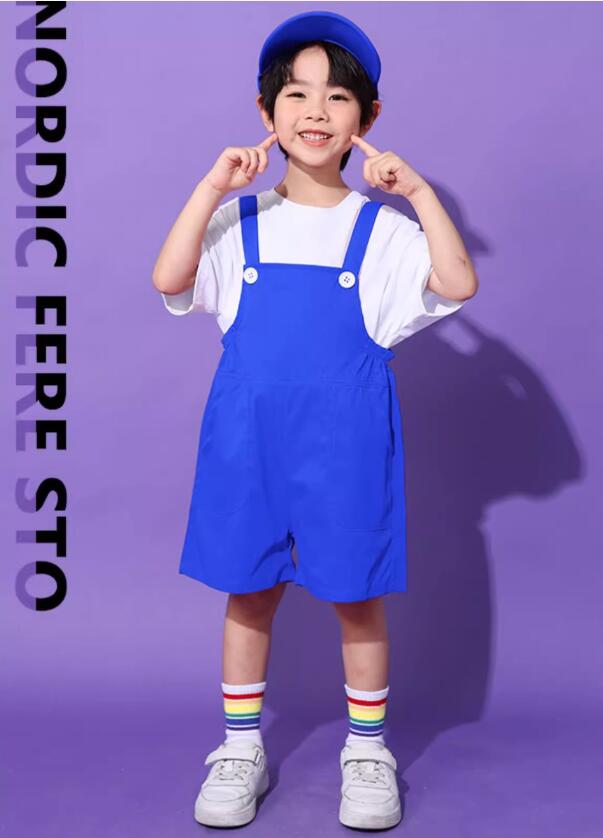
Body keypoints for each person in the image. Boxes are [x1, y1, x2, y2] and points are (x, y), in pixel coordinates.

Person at [152, 10, 478, 831]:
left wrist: (419, 193)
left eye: (337, 96)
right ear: (266, 112)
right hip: (249, 443)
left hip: (346, 446)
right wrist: (212, 186)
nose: (315, 111)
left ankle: (366, 752)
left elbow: (457, 283)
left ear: (366, 118)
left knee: (356, 598)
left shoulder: (382, 231)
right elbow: (169, 277)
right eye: (295, 94)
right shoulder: (239, 222)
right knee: (248, 593)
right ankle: (240, 748)